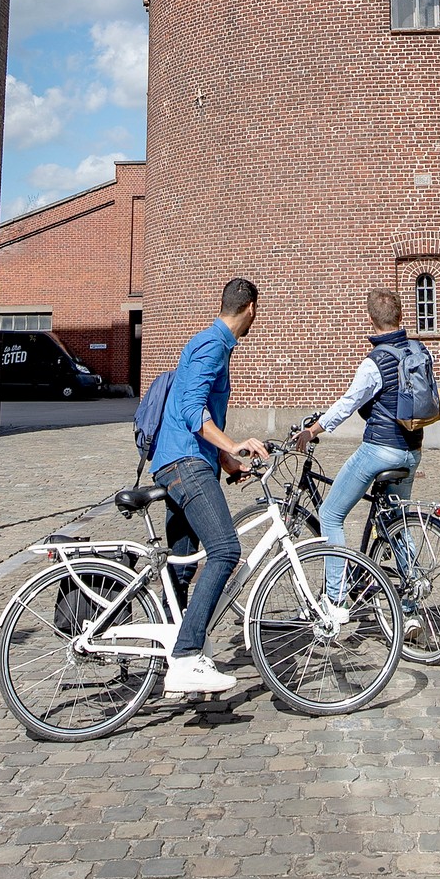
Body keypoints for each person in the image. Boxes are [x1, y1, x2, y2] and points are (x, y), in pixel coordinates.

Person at [149, 277, 271, 696]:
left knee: (181, 571)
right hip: (185, 465)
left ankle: (160, 659)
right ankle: (186, 656)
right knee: (225, 549)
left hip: (186, 461)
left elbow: (196, 413)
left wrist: (226, 459)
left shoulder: (212, 343)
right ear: (251, 308)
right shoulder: (213, 344)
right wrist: (233, 443)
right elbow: (190, 409)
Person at [293, 289, 428, 618]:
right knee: (396, 521)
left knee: (331, 515)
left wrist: (313, 430)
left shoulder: (375, 361)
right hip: (412, 451)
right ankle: (410, 603)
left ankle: (335, 601)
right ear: (400, 317)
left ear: (370, 320)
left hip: (380, 449)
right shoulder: (420, 350)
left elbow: (348, 403)